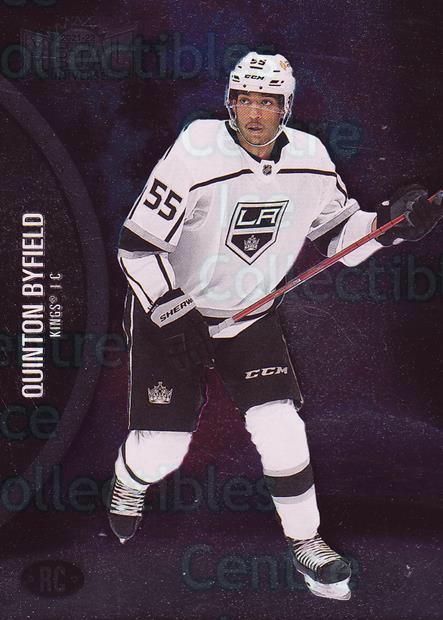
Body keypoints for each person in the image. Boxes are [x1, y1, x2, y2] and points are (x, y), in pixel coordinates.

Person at [107, 51, 442, 600]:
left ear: (286, 107)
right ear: (229, 102)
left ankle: (307, 542)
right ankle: (129, 480)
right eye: (245, 100)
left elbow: (338, 234)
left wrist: (392, 224)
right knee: (163, 450)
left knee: (282, 425)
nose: (255, 113)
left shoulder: (311, 158)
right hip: (170, 313)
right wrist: (170, 308)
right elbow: (137, 248)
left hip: (250, 315)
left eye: (267, 102)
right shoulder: (195, 150)